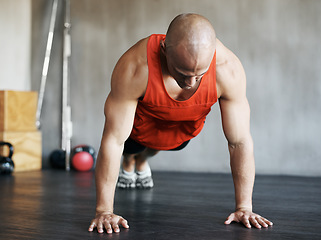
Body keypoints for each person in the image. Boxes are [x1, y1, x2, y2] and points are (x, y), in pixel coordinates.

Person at [88, 13, 273, 234]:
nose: (189, 83)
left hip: (182, 130)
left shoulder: (228, 69)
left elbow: (239, 141)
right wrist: (103, 211)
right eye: (182, 73)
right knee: (130, 148)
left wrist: (245, 207)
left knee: (170, 145)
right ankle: (131, 160)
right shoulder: (136, 66)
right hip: (139, 129)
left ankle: (140, 161)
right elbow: (113, 140)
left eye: (199, 75)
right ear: (164, 50)